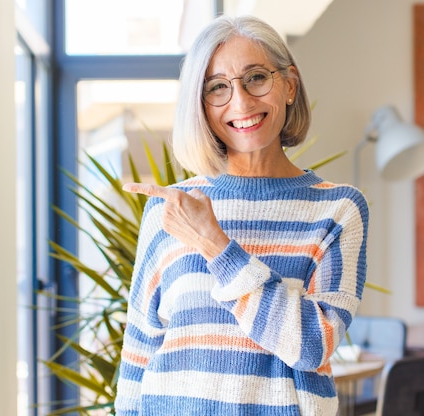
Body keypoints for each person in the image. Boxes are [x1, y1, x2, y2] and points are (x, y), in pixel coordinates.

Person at [115, 14, 368, 416]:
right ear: (201, 106)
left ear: (289, 85)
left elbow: (311, 344)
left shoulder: (338, 210)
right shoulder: (171, 207)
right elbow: (140, 349)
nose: (242, 102)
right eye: (218, 87)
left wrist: (215, 244)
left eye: (256, 78)